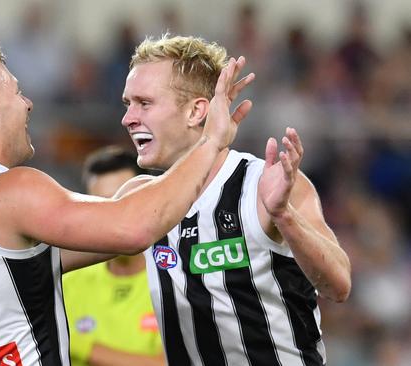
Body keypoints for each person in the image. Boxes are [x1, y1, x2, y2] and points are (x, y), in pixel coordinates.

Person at [0, 40, 254, 365]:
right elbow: (134, 227)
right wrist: (212, 141)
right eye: (16, 91)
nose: (27, 103)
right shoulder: (11, 192)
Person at [114, 35, 351, 366]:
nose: (128, 118)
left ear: (197, 111)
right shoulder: (138, 197)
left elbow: (338, 285)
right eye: (128, 104)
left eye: (144, 103)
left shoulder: (264, 184)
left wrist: (284, 216)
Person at [63, 146, 164, 366]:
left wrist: (81, 347)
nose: (112, 216)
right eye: (100, 204)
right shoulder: (66, 281)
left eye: (122, 203)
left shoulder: (175, 278)